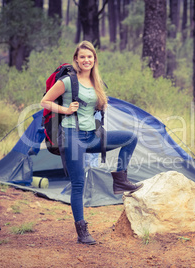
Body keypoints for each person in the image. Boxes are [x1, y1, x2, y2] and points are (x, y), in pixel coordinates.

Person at [40, 41, 143, 245]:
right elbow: (45, 101)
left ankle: (120, 179)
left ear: (95, 59)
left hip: (91, 136)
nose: (86, 60)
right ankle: (82, 231)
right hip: (72, 136)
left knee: (131, 137)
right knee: (78, 183)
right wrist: (66, 110)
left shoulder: (96, 82)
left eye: (90, 57)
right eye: (83, 57)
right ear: (76, 59)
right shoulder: (69, 81)